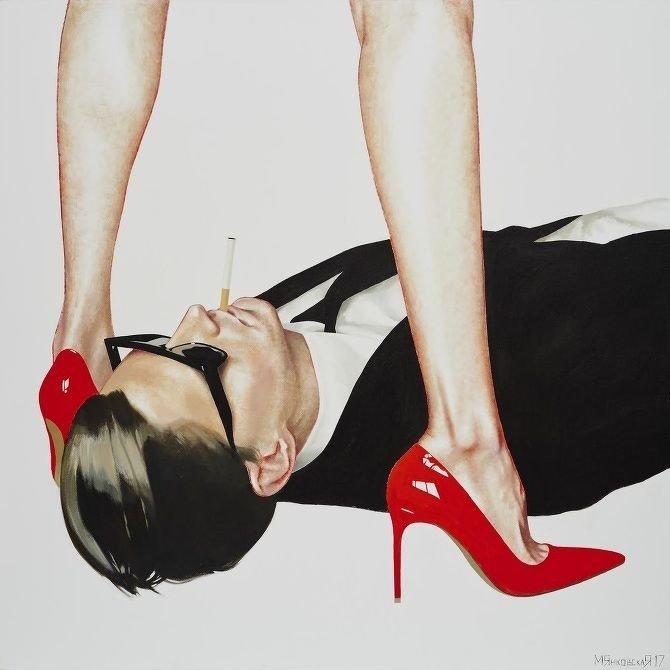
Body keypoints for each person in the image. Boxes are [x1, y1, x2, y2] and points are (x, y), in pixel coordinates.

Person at [50, 198, 670, 594]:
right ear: (273, 459)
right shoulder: (541, 416)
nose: (194, 318)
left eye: (159, 344)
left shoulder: (270, 358)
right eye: (198, 360)